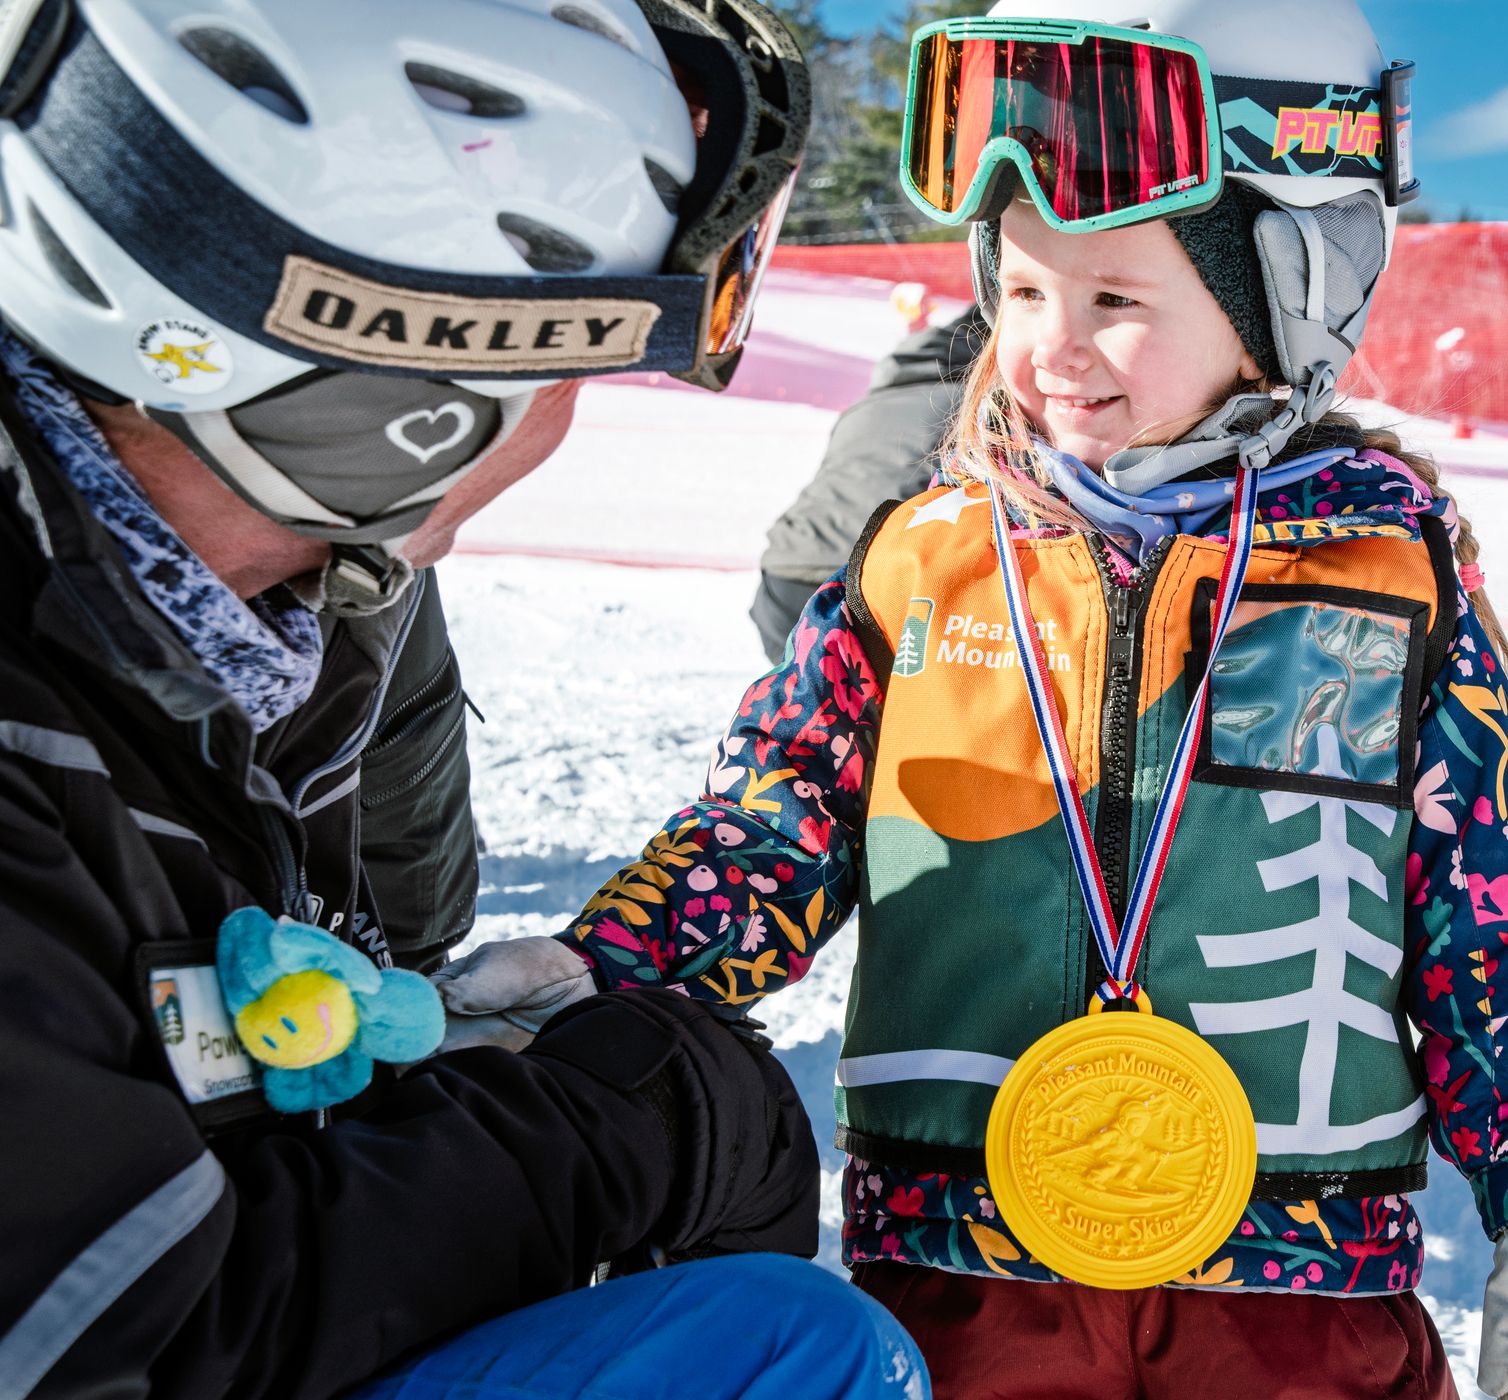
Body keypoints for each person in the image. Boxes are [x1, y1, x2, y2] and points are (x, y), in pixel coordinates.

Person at [440, 1, 1508, 1396]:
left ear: (1287, 295)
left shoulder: (1389, 579)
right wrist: (620, 959)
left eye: (1119, 302)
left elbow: (1499, 913)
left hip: (1293, 1281)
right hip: (962, 1265)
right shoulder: (922, 560)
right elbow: (775, 820)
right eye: (1020, 293)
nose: (1053, 348)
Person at [0, 2, 926, 1396]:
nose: (567, 411)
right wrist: (617, 1127)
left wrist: (438, 1063)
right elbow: (122, 1343)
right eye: (564, 360)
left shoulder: (258, 625)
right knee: (790, 1355)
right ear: (410, 399)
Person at [752, 306, 986, 656]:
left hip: (785, 570)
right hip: (861, 580)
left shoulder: (871, 402)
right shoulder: (972, 409)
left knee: (798, 705)